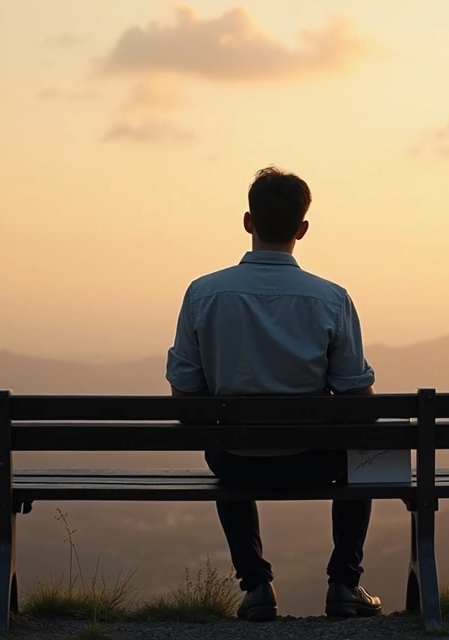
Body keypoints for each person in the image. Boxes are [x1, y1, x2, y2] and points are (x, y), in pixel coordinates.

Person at [165, 166, 383, 622]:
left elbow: (184, 396)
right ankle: (344, 583)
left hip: (235, 461)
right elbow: (358, 403)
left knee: (222, 442)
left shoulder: (203, 294)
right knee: (369, 453)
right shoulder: (331, 299)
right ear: (302, 229)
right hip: (314, 461)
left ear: (248, 222)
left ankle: (257, 585)